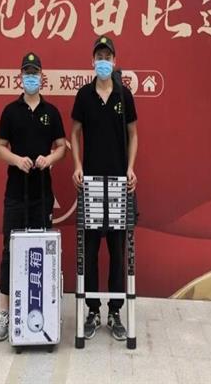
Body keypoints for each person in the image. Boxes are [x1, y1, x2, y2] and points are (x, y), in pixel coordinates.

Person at [0, 52, 66, 341]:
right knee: (9, 251)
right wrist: (16, 160)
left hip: (42, 195)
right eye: (27, 73)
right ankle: (5, 313)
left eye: (35, 73)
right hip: (15, 193)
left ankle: (44, 309)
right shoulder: (10, 111)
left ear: (41, 77)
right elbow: (0, 147)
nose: (31, 77)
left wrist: (50, 159)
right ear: (20, 77)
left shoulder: (52, 112)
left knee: (42, 250)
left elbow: (61, 146)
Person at [71, 36, 138, 341]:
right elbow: (74, 133)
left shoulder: (124, 95)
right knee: (91, 252)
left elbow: (134, 134)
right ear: (92, 61)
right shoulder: (84, 96)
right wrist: (77, 165)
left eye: (107, 57)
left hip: (119, 186)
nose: (103, 61)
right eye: (98, 56)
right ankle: (93, 311)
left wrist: (130, 168)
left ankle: (115, 312)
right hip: (91, 186)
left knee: (117, 252)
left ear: (114, 60)